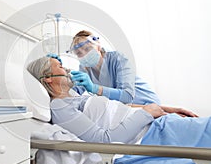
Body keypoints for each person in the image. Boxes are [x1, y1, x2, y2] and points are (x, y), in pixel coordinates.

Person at [27, 56, 200, 144]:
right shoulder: (59, 107)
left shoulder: (75, 95)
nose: (67, 69)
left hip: (159, 121)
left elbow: (121, 107)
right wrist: (146, 114)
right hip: (151, 134)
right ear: (49, 77)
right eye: (61, 67)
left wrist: (168, 109)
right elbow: (104, 141)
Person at [68, 30, 160, 105]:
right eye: (79, 53)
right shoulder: (84, 67)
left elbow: (127, 96)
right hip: (126, 109)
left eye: (87, 48)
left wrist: (94, 88)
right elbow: (74, 92)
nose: (84, 54)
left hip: (146, 102)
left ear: (98, 45)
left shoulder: (118, 59)